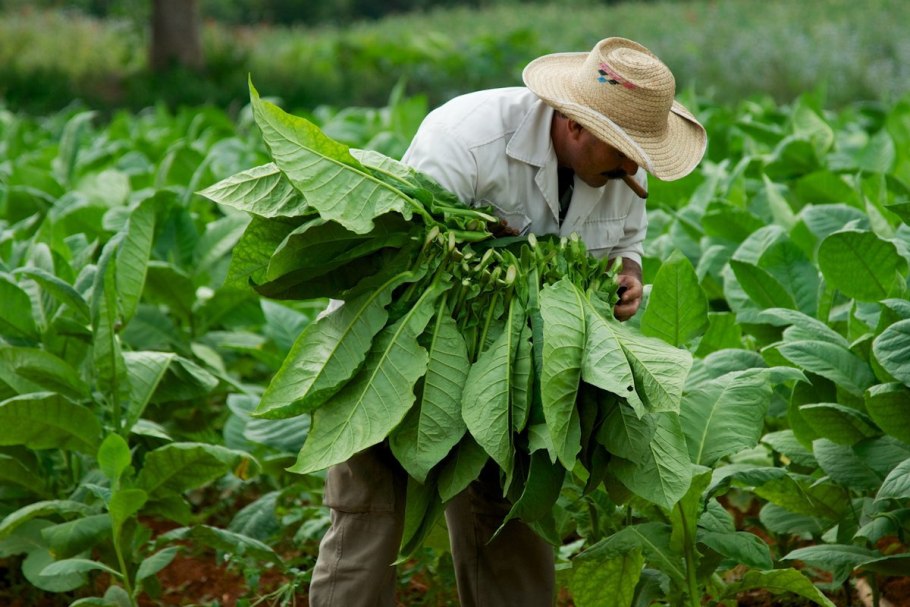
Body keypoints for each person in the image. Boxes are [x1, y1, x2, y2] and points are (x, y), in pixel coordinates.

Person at [307, 37, 707, 606]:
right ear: (575, 125)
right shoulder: (466, 138)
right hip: (393, 350)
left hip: (513, 372)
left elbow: (627, 243)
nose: (633, 167)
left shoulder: (621, 170)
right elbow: (407, 261)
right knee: (368, 515)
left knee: (509, 522)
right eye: (622, 151)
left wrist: (628, 279)